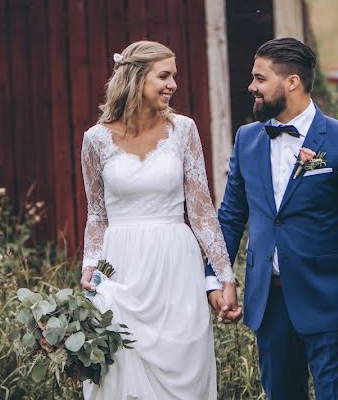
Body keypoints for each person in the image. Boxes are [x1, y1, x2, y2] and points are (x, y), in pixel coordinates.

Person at [207, 37, 338, 400]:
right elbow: (230, 218)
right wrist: (216, 276)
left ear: (292, 82)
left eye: (260, 78)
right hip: (269, 306)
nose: (251, 87)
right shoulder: (248, 139)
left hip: (329, 307)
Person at [79, 40, 236, 400]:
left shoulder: (184, 130)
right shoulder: (96, 140)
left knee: (184, 368)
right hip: (119, 265)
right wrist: (91, 266)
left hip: (175, 263)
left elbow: (201, 210)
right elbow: (97, 214)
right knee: (119, 367)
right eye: (164, 76)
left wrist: (224, 275)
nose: (172, 85)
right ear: (135, 78)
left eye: (174, 76)